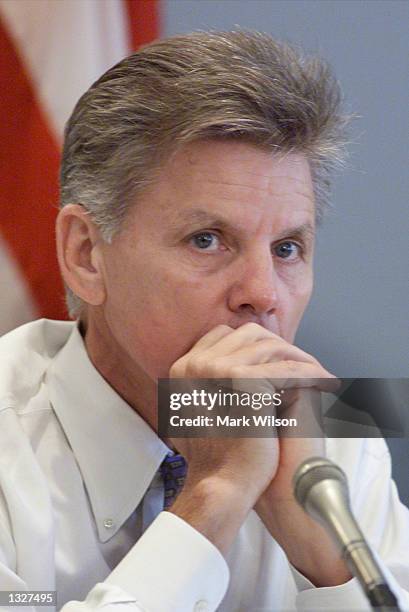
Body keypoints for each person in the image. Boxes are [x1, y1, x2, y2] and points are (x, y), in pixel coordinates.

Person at [0, 30, 408, 612]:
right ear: (87, 254)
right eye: (208, 239)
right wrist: (214, 495)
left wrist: (331, 567)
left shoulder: (330, 426)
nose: (263, 294)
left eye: (287, 248)